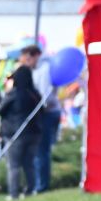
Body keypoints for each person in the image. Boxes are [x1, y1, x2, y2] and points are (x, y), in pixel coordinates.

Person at [0, 47, 43, 200]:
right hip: (33, 133)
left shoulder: (13, 94)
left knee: (14, 165)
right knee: (29, 164)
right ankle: (30, 190)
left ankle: (14, 193)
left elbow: (0, 109)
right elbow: (42, 111)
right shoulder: (35, 94)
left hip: (15, 134)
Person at [31, 50, 61, 193]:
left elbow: (45, 96)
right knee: (42, 150)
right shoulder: (44, 68)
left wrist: (39, 107)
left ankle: (41, 185)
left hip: (45, 113)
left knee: (41, 150)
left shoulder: (43, 70)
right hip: (50, 112)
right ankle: (41, 183)